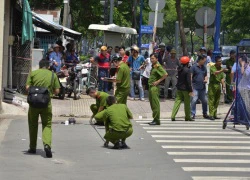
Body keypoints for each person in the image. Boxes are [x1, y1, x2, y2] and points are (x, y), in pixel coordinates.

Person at [26, 59, 60, 158]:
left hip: (33, 104)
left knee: (33, 124)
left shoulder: (33, 73)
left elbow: (27, 88)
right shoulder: (53, 75)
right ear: (48, 66)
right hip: (46, 103)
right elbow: (57, 91)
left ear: (39, 66)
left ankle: (32, 147)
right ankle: (47, 145)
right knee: (47, 125)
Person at [171, 56, 193, 121]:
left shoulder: (179, 69)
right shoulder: (187, 70)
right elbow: (189, 81)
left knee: (177, 102)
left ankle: (173, 116)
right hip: (186, 89)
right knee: (187, 104)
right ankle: (187, 117)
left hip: (179, 88)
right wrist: (191, 90)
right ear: (187, 63)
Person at [148, 53, 168, 125]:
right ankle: (155, 119)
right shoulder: (153, 66)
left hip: (154, 88)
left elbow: (165, 74)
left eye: (153, 58)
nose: (151, 60)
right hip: (150, 87)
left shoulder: (158, 66)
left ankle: (157, 120)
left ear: (156, 59)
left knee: (155, 104)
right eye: (151, 58)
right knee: (152, 104)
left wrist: (158, 81)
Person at [190, 55, 209, 120]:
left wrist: (206, 79)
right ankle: (192, 114)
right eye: (204, 60)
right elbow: (191, 77)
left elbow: (205, 75)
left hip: (202, 87)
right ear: (200, 60)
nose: (205, 62)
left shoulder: (204, 68)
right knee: (194, 100)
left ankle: (205, 113)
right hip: (195, 87)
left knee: (205, 101)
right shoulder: (193, 67)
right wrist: (191, 86)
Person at [208, 56, 227, 120]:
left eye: (221, 61)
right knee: (211, 100)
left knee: (217, 100)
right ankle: (211, 114)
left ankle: (214, 114)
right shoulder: (212, 67)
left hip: (218, 85)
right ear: (216, 62)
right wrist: (222, 70)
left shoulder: (221, 68)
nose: (220, 62)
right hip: (212, 85)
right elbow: (215, 73)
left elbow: (222, 78)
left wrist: (224, 86)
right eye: (219, 61)